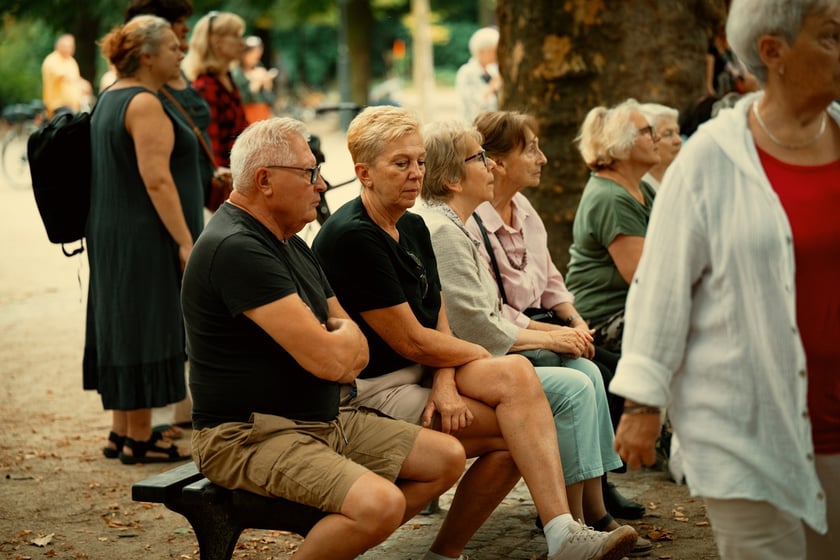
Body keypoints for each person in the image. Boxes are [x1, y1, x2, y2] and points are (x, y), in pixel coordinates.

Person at [313, 106, 638, 560]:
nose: (415, 174)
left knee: (517, 381)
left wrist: (447, 380)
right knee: (514, 428)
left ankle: (563, 531)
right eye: (401, 164)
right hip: (373, 391)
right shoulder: (352, 236)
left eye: (420, 161)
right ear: (363, 173)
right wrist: (465, 361)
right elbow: (412, 341)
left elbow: (437, 313)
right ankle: (452, 552)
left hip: (425, 371)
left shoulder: (410, 222)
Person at [611, 1, 839, 558]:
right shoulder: (710, 159)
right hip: (746, 429)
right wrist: (643, 404)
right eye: (833, 35)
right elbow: (660, 287)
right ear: (772, 51)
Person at [180, 117, 465, 560]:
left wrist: (340, 341)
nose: (324, 184)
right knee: (380, 503)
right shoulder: (237, 247)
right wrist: (339, 342)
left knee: (445, 458)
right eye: (309, 172)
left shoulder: (290, 241)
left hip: (324, 418)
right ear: (264, 180)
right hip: (249, 435)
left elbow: (355, 352)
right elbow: (334, 362)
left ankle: (338, 541)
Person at [416, 120, 652, 557]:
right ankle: (569, 523)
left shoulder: (458, 222)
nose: (490, 166)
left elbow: (532, 292)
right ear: (452, 178)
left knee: (585, 371)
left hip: (486, 354)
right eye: (480, 158)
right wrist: (555, 336)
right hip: (468, 363)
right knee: (577, 382)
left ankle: (584, 516)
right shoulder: (446, 230)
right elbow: (477, 327)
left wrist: (565, 329)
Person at [467, 110, 645, 521]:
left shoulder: (524, 207)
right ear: (497, 161)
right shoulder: (473, 220)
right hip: (505, 340)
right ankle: (579, 511)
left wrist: (575, 320)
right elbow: (491, 311)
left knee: (599, 367)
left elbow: (549, 278)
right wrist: (554, 335)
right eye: (530, 149)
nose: (542, 158)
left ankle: (592, 497)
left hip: (540, 324)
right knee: (586, 373)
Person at [86, 15, 204, 464]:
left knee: (122, 319)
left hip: (112, 228)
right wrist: (185, 240)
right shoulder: (144, 103)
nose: (181, 52)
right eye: (173, 46)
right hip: (145, 232)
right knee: (146, 323)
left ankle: (121, 430)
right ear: (147, 55)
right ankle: (140, 437)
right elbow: (156, 180)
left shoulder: (109, 97)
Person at [564, 99, 659, 353]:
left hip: (629, 308)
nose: (656, 137)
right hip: (602, 320)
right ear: (622, 144)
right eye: (647, 131)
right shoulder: (612, 198)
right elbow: (644, 277)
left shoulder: (641, 188)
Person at [125, 0, 216, 213]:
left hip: (198, 198)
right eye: (179, 21)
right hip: (170, 210)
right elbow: (156, 179)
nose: (186, 28)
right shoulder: (146, 92)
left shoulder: (175, 72)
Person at [183, 11, 248, 168]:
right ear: (215, 41)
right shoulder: (206, 87)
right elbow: (213, 147)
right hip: (227, 177)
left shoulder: (227, 78)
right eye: (235, 36)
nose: (242, 43)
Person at [455, 27, 502, 124]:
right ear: (482, 51)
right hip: (475, 127)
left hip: (495, 126)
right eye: (493, 50)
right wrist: (491, 88)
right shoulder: (466, 72)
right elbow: (470, 106)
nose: (497, 54)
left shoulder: (494, 71)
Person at [41, 34, 92, 117]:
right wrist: (80, 83)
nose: (68, 49)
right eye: (65, 46)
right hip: (57, 106)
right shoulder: (52, 60)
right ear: (58, 46)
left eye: (70, 46)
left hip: (74, 107)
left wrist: (84, 84)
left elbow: (76, 77)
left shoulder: (71, 61)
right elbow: (63, 75)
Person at [231, 35, 277, 124]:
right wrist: (255, 84)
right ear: (243, 53)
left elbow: (270, 100)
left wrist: (267, 85)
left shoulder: (259, 68)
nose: (256, 57)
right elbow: (238, 100)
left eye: (258, 55)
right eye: (253, 54)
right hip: (246, 121)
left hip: (262, 118)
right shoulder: (236, 74)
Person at [638, 103, 682, 191]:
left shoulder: (682, 177)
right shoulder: (638, 186)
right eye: (667, 134)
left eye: (678, 133)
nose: (678, 141)